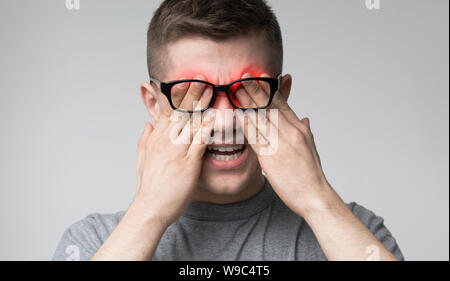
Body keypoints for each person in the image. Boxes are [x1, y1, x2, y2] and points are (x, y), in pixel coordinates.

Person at [52, 0, 404, 261]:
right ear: (153, 103)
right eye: (192, 94)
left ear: (281, 96)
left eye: (249, 92)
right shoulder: (93, 241)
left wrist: (318, 200)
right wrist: (148, 212)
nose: (225, 122)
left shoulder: (356, 230)